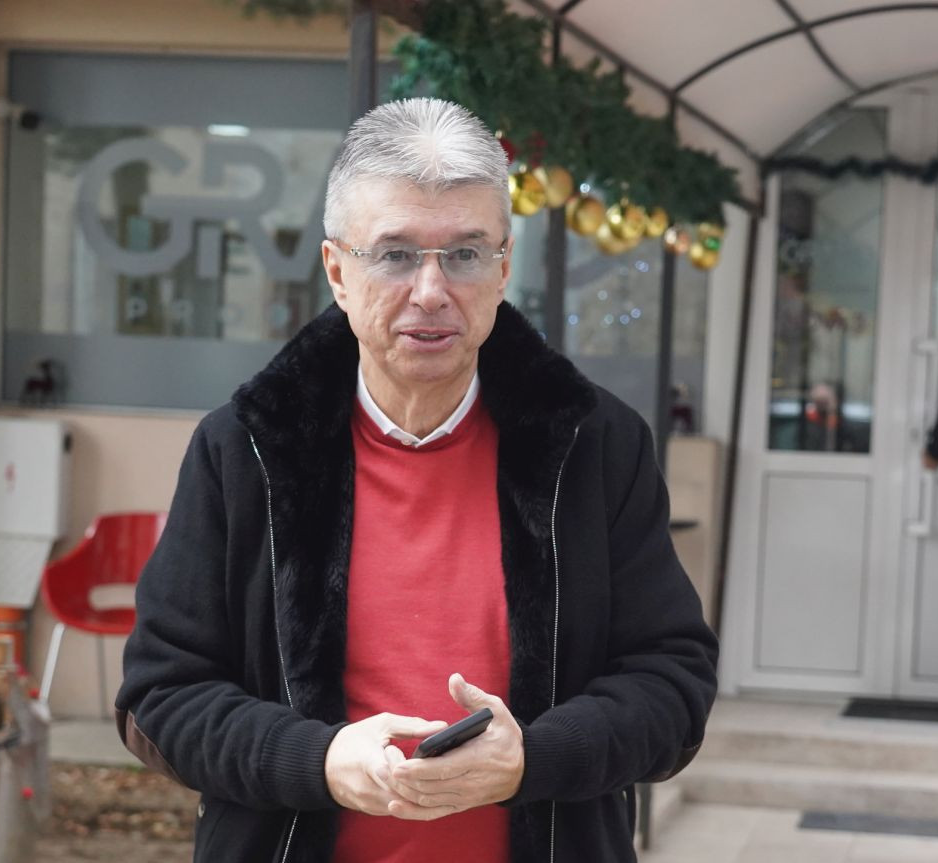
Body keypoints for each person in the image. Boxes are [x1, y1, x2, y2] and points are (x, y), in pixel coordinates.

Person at [115, 97, 718, 863]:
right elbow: (161, 697)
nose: (431, 289)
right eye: (396, 254)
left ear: (503, 270)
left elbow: (673, 685)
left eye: (465, 254)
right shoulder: (247, 449)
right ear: (337, 270)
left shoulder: (594, 446)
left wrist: (531, 757)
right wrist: (319, 760)